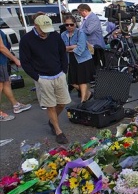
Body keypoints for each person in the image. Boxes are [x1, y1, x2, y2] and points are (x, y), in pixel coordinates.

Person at [20, 15, 71, 144]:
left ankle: (52, 121)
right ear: (35, 26)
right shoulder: (26, 40)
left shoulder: (54, 35)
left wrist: (64, 71)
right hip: (43, 77)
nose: (45, 32)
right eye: (43, 29)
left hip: (59, 74)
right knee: (50, 105)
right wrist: (37, 78)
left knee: (62, 103)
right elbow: (25, 62)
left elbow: (62, 53)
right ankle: (58, 130)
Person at [61, 15, 95, 103]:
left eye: (71, 24)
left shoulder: (80, 33)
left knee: (82, 80)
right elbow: (61, 48)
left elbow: (81, 48)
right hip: (71, 60)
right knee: (72, 82)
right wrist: (72, 46)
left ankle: (83, 100)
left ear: (75, 24)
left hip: (83, 59)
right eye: (67, 25)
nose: (69, 27)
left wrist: (68, 48)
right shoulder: (63, 35)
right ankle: (88, 93)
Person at [0, 30, 31, 121]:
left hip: (2, 61)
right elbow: (1, 47)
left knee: (6, 83)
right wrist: (15, 59)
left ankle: (16, 105)